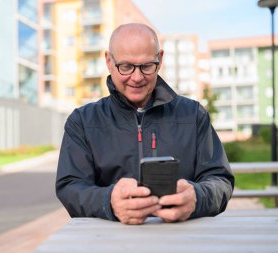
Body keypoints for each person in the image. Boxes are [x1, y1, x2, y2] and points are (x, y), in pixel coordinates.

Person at [55, 23, 234, 225]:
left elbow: (220, 180)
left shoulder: (193, 114)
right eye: (126, 66)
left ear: (160, 59)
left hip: (183, 241)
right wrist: (109, 202)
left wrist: (197, 197)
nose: (137, 77)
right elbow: (71, 187)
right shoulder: (82, 121)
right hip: (107, 242)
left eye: (147, 66)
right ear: (108, 61)